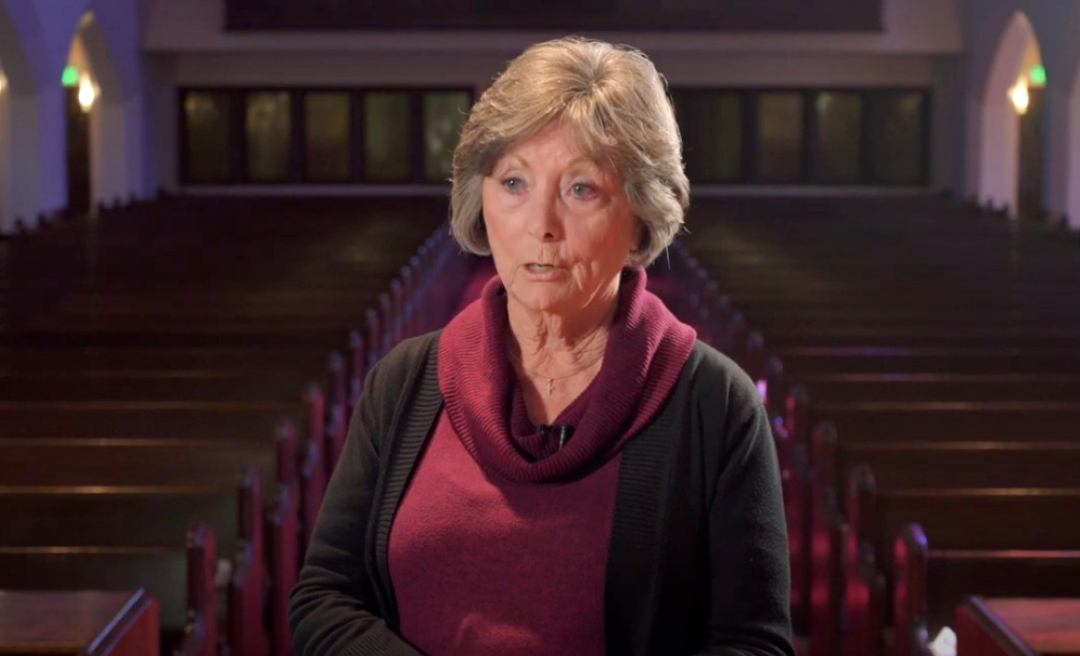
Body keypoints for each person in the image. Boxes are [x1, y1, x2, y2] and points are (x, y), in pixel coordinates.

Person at [289, 36, 794, 656]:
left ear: (640, 212)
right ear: (482, 199)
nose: (541, 224)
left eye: (581, 189)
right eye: (514, 182)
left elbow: (754, 644)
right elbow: (325, 598)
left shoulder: (716, 405)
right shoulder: (405, 383)